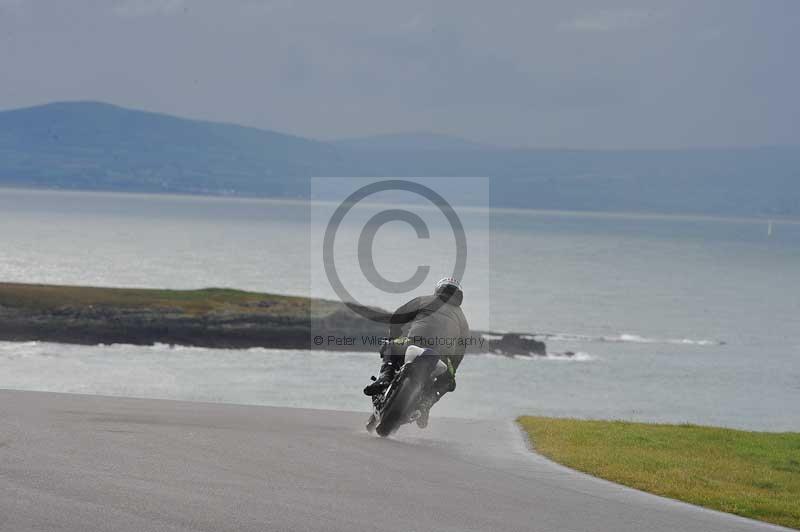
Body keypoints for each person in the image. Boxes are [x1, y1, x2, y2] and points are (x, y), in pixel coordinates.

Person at [363, 277, 470, 428]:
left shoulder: (424, 300)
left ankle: (385, 378)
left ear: (438, 290)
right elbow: (460, 352)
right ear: (459, 296)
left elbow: (397, 317)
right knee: (448, 381)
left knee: (391, 345)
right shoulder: (463, 320)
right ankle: (426, 403)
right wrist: (452, 372)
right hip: (441, 357)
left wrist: (393, 336)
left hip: (412, 343)